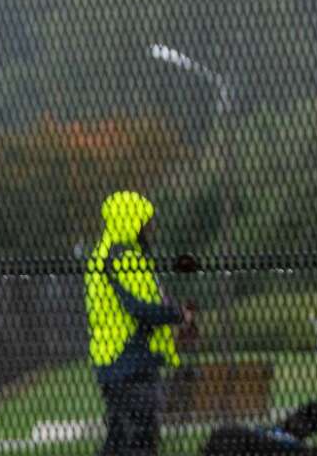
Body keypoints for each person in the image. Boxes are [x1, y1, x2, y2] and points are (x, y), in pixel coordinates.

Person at [84, 191, 189, 456]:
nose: (150, 229)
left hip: (120, 358)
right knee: (139, 438)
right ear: (132, 221)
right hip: (129, 359)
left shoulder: (108, 253)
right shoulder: (122, 257)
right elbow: (140, 308)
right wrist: (177, 315)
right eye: (146, 222)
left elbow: (143, 299)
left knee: (120, 438)